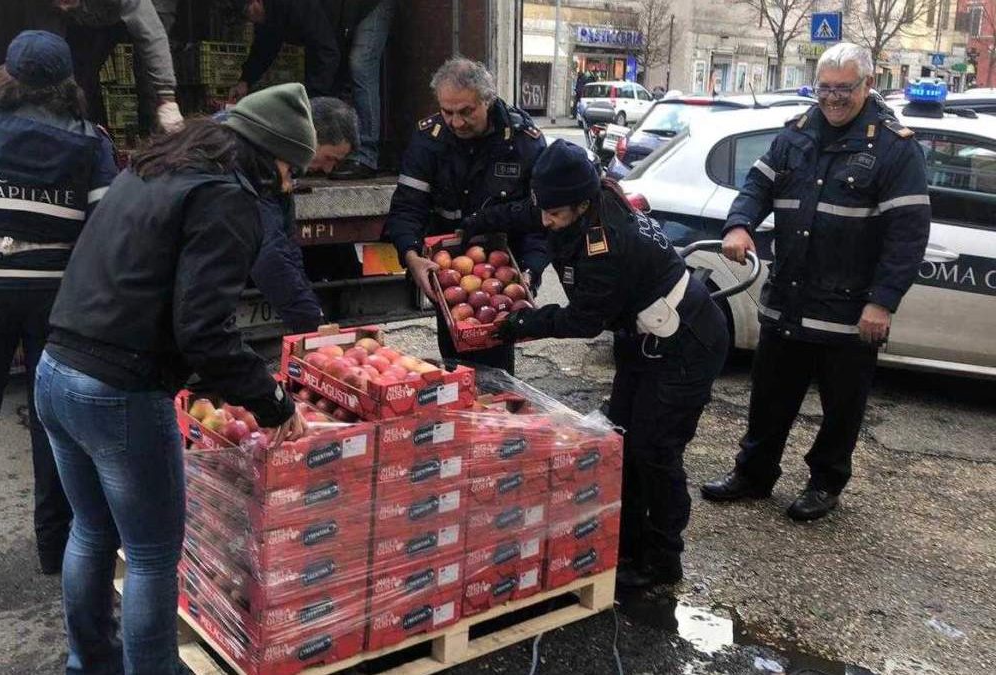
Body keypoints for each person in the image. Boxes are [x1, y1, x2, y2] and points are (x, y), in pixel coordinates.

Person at [34, 83, 312, 673]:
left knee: (90, 528)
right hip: (118, 390)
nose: (289, 181)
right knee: (154, 554)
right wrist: (271, 401)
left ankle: (88, 663)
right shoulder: (227, 196)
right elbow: (204, 329)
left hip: (55, 370)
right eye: (292, 165)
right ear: (273, 152)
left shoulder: (160, 167)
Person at [700, 42, 930, 521]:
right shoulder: (797, 135)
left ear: (868, 84)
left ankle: (825, 482)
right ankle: (754, 474)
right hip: (789, 298)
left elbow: (907, 236)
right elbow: (757, 186)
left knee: (842, 408)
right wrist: (739, 224)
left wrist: (883, 302)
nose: (832, 99)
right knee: (769, 397)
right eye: (824, 88)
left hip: (849, 309)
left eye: (843, 89)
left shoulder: (893, 148)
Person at [485, 140, 729, 588]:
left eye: (555, 215)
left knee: (655, 451)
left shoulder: (608, 244)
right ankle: (628, 543)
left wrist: (522, 324)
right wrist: (477, 225)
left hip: (685, 342)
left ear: (580, 204)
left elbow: (582, 321)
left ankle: (663, 559)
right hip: (643, 338)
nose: (546, 221)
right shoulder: (581, 199)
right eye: (545, 209)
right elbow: (527, 212)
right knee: (620, 440)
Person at [0, 30, 117, 576]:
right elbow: (103, 232)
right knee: (52, 425)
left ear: (9, 77)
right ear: (67, 83)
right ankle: (54, 549)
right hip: (56, 299)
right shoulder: (92, 142)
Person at [383, 57, 548, 374]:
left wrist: (530, 270)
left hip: (502, 269)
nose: (455, 122)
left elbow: (540, 220)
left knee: (497, 362)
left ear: (488, 100)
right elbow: (407, 206)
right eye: (447, 112)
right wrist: (411, 255)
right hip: (449, 270)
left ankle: (495, 413)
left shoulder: (524, 142)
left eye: (466, 112)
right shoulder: (428, 140)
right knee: (457, 357)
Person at [248, 96, 359, 333]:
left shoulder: (286, 166)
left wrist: (311, 314)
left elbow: (287, 245)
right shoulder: (257, 163)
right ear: (311, 136)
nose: (328, 169)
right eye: (330, 158)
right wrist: (311, 323)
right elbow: (268, 254)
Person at [51, 0, 184, 133]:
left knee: (148, 84)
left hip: (148, 8)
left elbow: (151, 36)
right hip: (85, 19)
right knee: (79, 83)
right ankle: (83, 137)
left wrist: (167, 98)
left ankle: (154, 142)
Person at [326, 0, 396, 179]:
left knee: (361, 64)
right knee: (341, 67)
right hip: (348, 10)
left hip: (372, 4)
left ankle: (366, 156)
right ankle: (339, 151)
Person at [232, 0, 340, 101]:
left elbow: (326, 51)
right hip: (319, 43)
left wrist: (314, 96)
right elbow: (263, 50)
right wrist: (245, 80)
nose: (249, 19)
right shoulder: (267, 15)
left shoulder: (297, 6)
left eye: (247, 11)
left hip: (340, 28)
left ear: (258, 1)